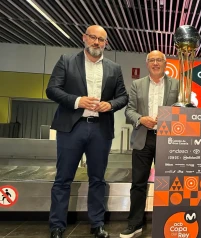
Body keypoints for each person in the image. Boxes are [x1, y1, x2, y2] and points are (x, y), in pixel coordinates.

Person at [46, 25, 128, 238]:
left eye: (101, 40)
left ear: (105, 43)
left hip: (100, 130)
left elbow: (123, 97)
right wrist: (77, 101)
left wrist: (110, 105)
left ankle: (97, 224)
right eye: (93, 38)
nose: (96, 43)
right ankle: (57, 225)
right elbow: (52, 90)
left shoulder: (114, 68)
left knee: (98, 179)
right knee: (63, 178)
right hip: (71, 128)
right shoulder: (66, 61)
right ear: (84, 38)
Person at [120, 50, 179, 238]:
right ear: (147, 64)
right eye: (152, 60)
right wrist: (141, 119)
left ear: (165, 63)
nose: (155, 63)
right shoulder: (137, 84)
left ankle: (166, 222)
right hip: (142, 138)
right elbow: (129, 111)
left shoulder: (176, 84)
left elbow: (183, 108)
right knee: (138, 183)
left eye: (159, 60)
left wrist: (170, 117)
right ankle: (135, 224)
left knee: (167, 183)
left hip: (167, 139)